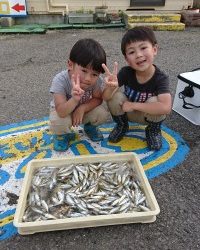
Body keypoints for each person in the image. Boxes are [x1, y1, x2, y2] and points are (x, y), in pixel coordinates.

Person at [102, 26, 172, 150]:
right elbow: (106, 97)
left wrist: (134, 105)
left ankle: (153, 130)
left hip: (148, 114)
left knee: (156, 102)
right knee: (115, 95)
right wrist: (109, 87)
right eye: (131, 52)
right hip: (127, 112)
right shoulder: (125, 72)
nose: (139, 55)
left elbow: (166, 108)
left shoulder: (161, 78)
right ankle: (122, 126)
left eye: (143, 48)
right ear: (127, 59)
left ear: (154, 49)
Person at [49, 38, 109, 151]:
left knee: (101, 113)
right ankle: (61, 136)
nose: (88, 79)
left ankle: (90, 128)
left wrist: (82, 108)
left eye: (94, 74)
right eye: (84, 71)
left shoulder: (96, 81)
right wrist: (75, 100)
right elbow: (61, 111)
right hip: (64, 114)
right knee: (57, 120)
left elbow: (98, 99)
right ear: (70, 64)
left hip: (82, 113)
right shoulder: (60, 80)